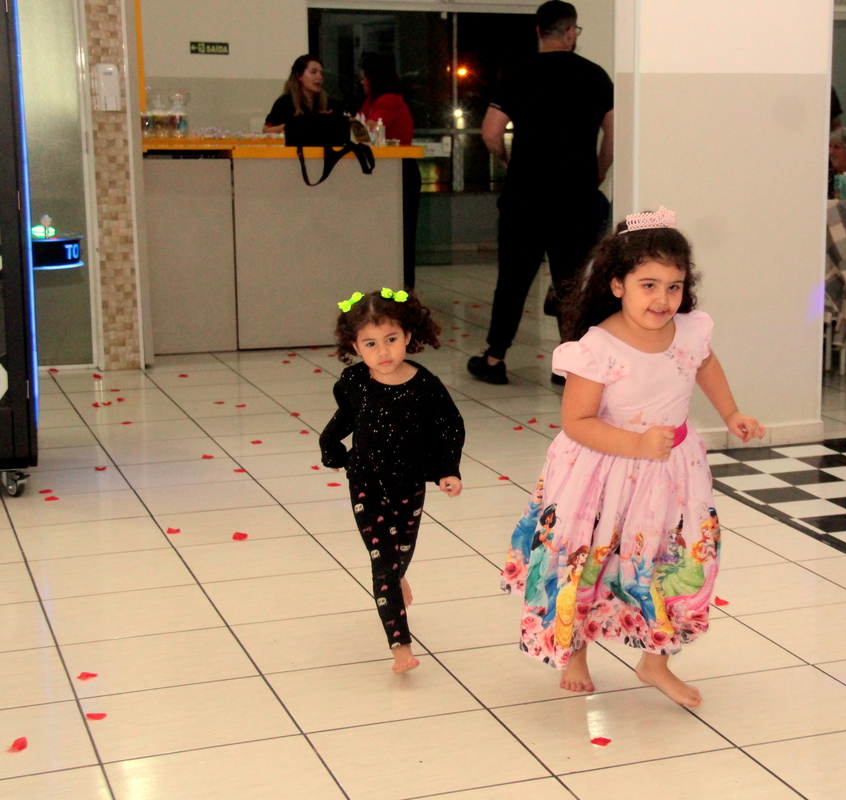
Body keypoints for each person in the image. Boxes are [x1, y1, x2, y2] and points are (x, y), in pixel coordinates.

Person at [500, 208, 764, 707]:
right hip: (602, 472)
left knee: (668, 561)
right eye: (648, 285)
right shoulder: (598, 346)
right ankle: (574, 651)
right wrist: (639, 445)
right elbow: (577, 421)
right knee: (589, 561)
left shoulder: (689, 330)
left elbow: (705, 365)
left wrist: (731, 413)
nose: (663, 299)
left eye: (674, 286)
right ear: (617, 284)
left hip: (672, 471)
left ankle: (655, 661)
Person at [319, 288, 465, 675]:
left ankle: (397, 576)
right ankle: (401, 645)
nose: (383, 352)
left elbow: (449, 428)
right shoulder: (355, 382)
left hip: (409, 481)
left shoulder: (425, 385)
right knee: (382, 561)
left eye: (391, 340)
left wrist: (448, 469)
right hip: (365, 480)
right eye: (370, 344)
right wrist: (331, 450)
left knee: (401, 550)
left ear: (408, 337)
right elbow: (343, 420)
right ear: (355, 347)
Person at [469, 1, 614, 386]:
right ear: (569, 32)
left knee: (513, 281)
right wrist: (597, 173)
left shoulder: (518, 73)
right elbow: (613, 135)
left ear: (538, 31)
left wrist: (507, 160)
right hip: (577, 200)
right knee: (571, 284)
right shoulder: (596, 76)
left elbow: (490, 132)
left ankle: (494, 359)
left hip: (526, 198)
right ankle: (570, 366)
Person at [358, 52, 421, 290]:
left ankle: (405, 288)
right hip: (386, 174)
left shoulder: (388, 101)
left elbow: (367, 130)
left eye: (364, 77)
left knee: (401, 235)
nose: (361, 82)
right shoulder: (372, 101)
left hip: (400, 171)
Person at [264, 55, 342, 133]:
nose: (319, 77)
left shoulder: (331, 104)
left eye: (321, 73)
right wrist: (293, 124)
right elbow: (266, 130)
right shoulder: (284, 103)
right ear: (299, 76)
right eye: (313, 72)